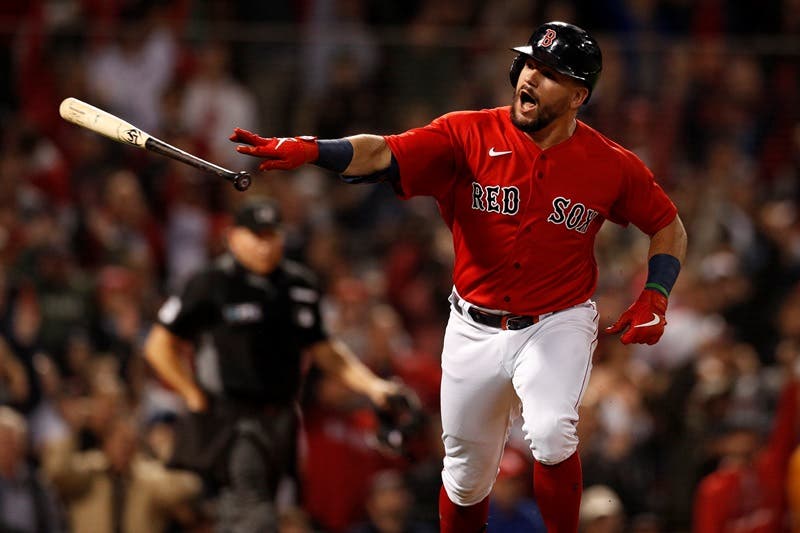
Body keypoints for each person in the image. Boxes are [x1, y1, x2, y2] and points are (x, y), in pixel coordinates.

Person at [229, 20, 688, 533]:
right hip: (473, 325)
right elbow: (384, 151)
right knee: (467, 480)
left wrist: (656, 293)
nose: (530, 78)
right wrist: (313, 149)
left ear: (579, 95)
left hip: (556, 321)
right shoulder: (467, 133)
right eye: (530, 64)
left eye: (550, 73)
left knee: (552, 431)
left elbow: (668, 226)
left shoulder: (610, 163)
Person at [143, 197, 404, 533]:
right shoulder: (211, 282)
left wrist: (372, 386)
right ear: (234, 237)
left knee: (268, 510)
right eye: (256, 235)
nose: (265, 245)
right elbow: (158, 346)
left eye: (271, 234)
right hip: (231, 419)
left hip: (283, 418)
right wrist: (191, 393)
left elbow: (324, 350)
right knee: (254, 516)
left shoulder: (298, 285)